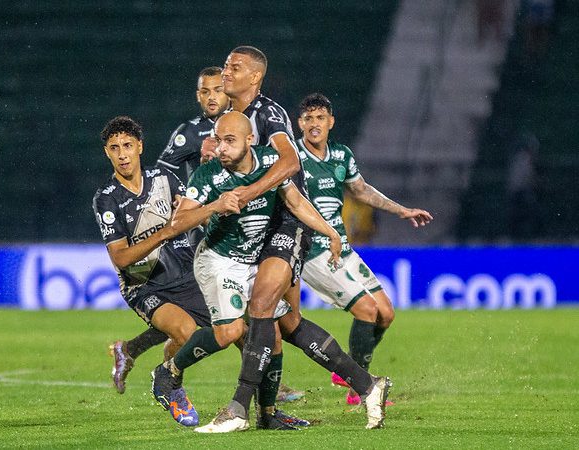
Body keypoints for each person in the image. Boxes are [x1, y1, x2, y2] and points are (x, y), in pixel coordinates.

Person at [196, 48, 392, 433]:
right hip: (259, 227)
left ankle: (238, 408)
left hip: (287, 222)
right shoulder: (228, 120)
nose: (226, 72)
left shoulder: (268, 114)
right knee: (288, 323)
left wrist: (247, 195)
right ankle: (368, 386)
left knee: (262, 304)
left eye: (234, 67)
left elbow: (289, 164)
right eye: (225, 66)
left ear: (254, 77)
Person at [150, 111, 343, 431]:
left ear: (250, 140)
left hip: (249, 263)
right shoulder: (207, 175)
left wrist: (331, 232)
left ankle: (268, 415)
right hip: (216, 260)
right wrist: (214, 206)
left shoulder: (270, 164)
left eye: (229, 140)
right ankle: (168, 371)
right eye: (217, 139)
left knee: (274, 336)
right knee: (231, 332)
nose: (220, 147)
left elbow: (296, 203)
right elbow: (177, 224)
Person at [287, 93, 433, 406]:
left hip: (343, 246)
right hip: (312, 250)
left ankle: (348, 372)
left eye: (320, 118)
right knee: (367, 310)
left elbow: (361, 190)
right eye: (308, 118)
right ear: (299, 123)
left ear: (331, 122)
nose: (314, 124)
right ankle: (360, 387)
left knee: (386, 314)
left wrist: (401, 210)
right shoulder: (292, 157)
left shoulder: (341, 155)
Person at [92, 116, 239, 427]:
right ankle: (172, 387)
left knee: (233, 326)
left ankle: (129, 350)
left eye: (128, 146)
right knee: (186, 333)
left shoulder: (164, 179)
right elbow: (120, 258)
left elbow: (193, 213)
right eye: (115, 148)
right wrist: (161, 234)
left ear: (140, 147)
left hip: (185, 272)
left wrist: (206, 215)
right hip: (144, 283)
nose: (122, 154)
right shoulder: (107, 198)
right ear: (106, 152)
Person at [157, 66, 230, 180]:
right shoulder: (190, 131)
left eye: (218, 90)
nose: (211, 97)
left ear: (228, 91)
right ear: (198, 96)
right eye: (205, 92)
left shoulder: (245, 121)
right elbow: (161, 173)